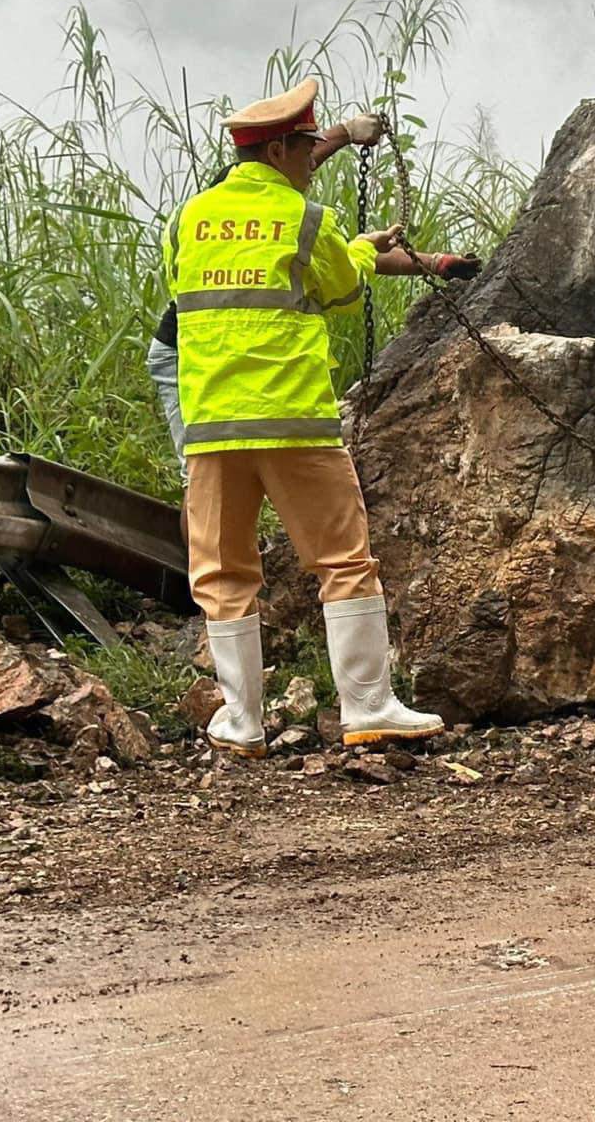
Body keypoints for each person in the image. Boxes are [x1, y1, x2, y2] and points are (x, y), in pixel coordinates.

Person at [165, 77, 474, 756]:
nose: (311, 155)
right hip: (293, 420)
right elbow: (339, 287)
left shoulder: (189, 218)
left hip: (212, 424)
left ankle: (242, 723)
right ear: (277, 151)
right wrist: (364, 246)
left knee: (221, 572)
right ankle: (368, 707)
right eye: (306, 145)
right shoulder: (308, 220)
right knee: (341, 559)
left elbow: (181, 288)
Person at [146, 111, 479, 478]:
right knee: (197, 476)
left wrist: (436, 262)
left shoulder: (277, 216)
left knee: (217, 481)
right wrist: (346, 133)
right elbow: (350, 270)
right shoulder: (247, 206)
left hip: (224, 363)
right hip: (184, 353)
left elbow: (347, 255)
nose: (308, 169)